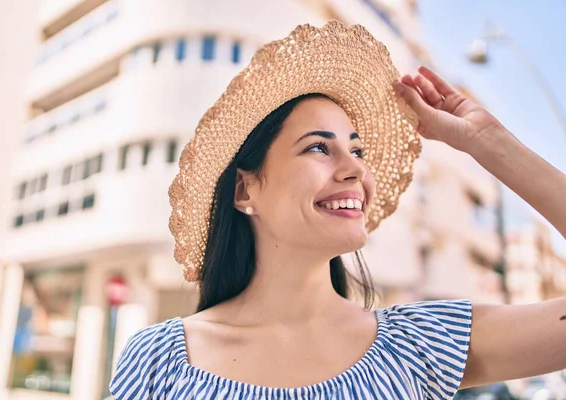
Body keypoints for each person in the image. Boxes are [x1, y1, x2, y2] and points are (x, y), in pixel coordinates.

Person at [108, 21, 566, 399]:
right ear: (245, 190)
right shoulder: (159, 358)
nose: (354, 171)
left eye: (359, 151)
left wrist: (489, 143)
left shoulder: (417, 344)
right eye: (318, 149)